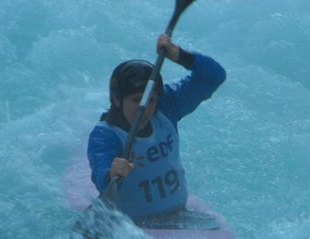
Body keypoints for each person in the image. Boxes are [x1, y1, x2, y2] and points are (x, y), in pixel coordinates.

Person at [87, 34, 226, 221]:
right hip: (132, 225)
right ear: (117, 100)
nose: (144, 109)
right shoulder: (105, 135)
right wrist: (111, 174)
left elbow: (215, 77)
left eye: (151, 100)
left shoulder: (166, 107)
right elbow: (101, 176)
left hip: (177, 214)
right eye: (136, 100)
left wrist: (181, 56)